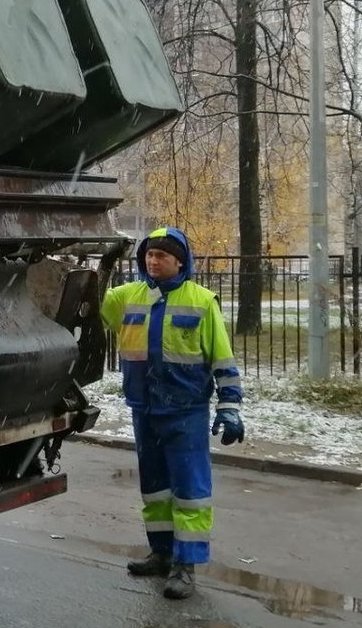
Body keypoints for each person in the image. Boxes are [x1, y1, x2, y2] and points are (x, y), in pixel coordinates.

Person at [101, 227, 244, 599]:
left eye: (161, 255)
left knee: (190, 492)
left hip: (185, 410)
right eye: (149, 255)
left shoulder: (200, 301)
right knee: (155, 489)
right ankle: (162, 553)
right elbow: (90, 296)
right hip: (144, 408)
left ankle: (186, 566)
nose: (153, 261)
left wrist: (230, 407)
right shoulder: (127, 297)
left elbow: (222, 357)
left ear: (180, 261)